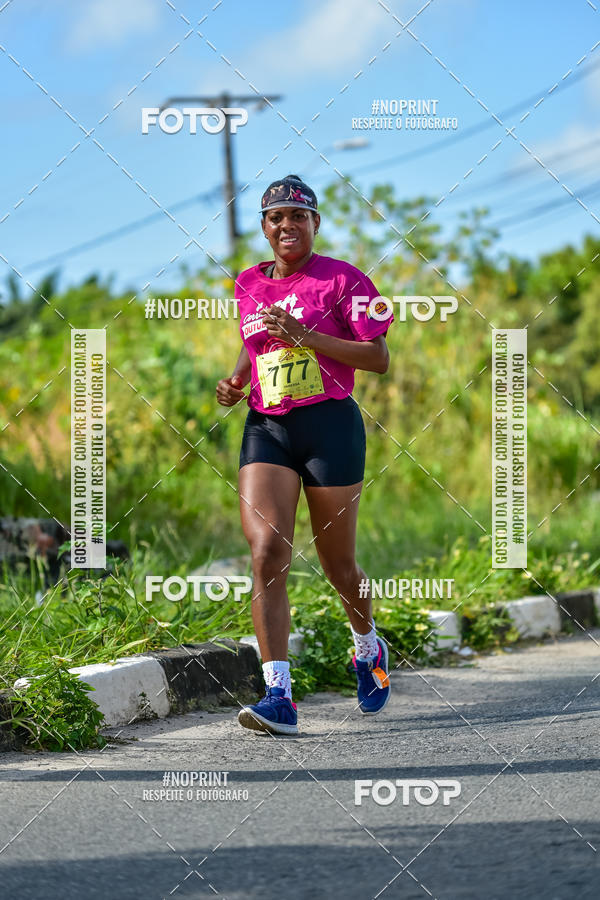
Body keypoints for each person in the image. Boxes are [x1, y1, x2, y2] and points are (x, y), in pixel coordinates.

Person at [216, 174, 393, 735]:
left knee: (339, 566)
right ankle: (279, 698)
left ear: (315, 223)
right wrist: (238, 379)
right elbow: (254, 341)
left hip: (330, 426)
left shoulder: (344, 279)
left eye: (298, 216)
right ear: (264, 228)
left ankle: (367, 647)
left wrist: (307, 336)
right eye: (276, 218)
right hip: (267, 426)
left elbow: (377, 357)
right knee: (267, 551)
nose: (286, 225)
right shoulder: (247, 282)